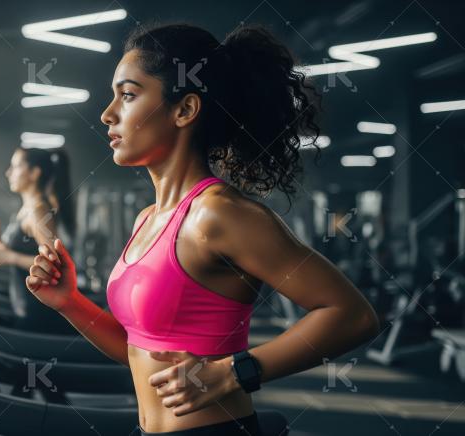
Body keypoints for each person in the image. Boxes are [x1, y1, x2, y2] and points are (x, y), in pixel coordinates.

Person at [26, 23, 380, 435]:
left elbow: (353, 315)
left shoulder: (219, 215)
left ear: (184, 110)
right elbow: (139, 350)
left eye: (127, 94)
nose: (108, 113)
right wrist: (69, 302)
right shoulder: (147, 218)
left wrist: (236, 372)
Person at [0, 146, 76, 334]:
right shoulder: (27, 209)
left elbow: (55, 265)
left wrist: (10, 257)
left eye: (15, 166)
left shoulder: (38, 211)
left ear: (34, 173)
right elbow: (6, 255)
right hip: (23, 304)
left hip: (37, 313)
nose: (8, 172)